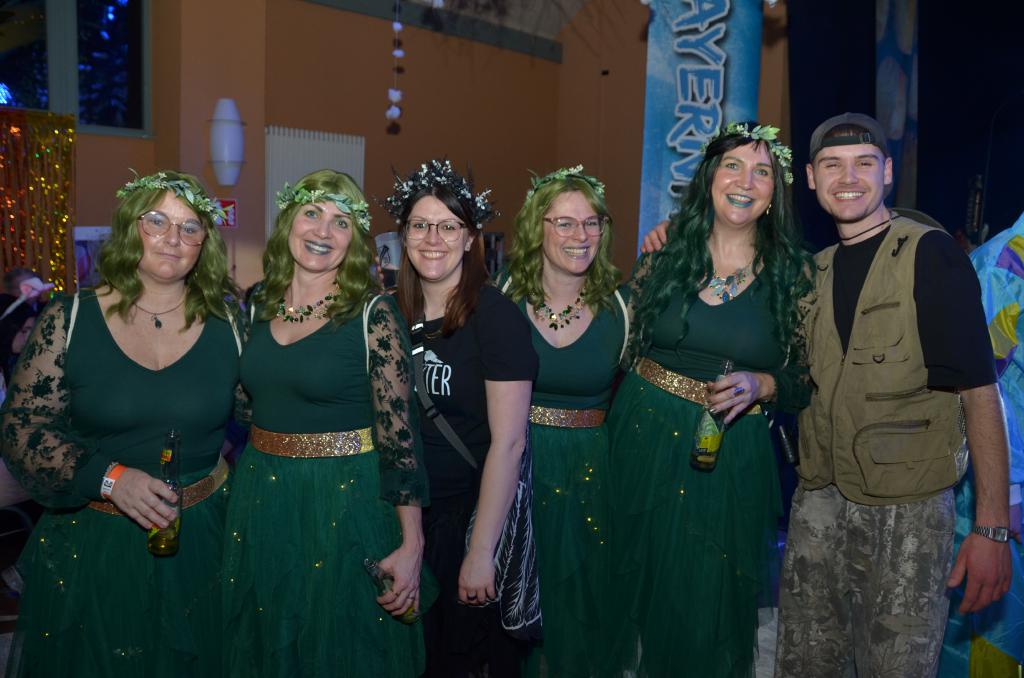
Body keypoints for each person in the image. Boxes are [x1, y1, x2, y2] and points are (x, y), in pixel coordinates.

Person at [774, 112, 1013, 677]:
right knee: (805, 664)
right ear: (810, 178)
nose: (847, 178)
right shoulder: (813, 273)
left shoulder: (931, 255)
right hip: (818, 506)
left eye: (863, 163)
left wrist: (991, 528)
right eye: (832, 165)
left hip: (907, 516)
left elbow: (980, 392)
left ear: (886, 172)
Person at [1, 170, 241, 677]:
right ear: (132, 227)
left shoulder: (231, 325)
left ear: (204, 242)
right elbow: (23, 429)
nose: (173, 238)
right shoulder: (69, 319)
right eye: (157, 221)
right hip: (94, 543)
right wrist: (110, 478)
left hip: (206, 542)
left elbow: (273, 413)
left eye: (190, 227)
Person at [607, 122, 812, 677]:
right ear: (709, 177)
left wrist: (765, 385)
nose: (745, 181)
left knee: (704, 603)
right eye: (733, 166)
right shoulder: (663, 254)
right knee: (625, 587)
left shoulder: (795, 274)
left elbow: (808, 376)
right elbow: (617, 343)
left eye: (762, 171)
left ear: (775, 192)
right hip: (640, 438)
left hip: (728, 454)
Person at [222, 169, 429, 677]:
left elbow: (400, 440)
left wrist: (412, 544)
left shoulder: (373, 315)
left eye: (341, 222)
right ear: (289, 220)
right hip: (262, 497)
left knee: (342, 649)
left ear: (354, 240)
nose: (323, 231)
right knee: (267, 644)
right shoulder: (258, 305)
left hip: (344, 504)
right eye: (312, 213)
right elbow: (247, 407)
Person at [385, 159, 538, 677]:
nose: (434, 239)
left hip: (464, 522)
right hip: (397, 517)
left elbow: (510, 444)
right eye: (420, 226)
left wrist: (480, 551)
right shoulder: (387, 314)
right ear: (403, 236)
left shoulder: (495, 318)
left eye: (448, 227)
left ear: (470, 239)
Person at [497, 165, 626, 678]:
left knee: (581, 615)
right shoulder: (502, 300)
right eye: (565, 223)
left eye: (592, 222)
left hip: (591, 481)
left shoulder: (622, 309)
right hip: (515, 472)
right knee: (513, 606)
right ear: (538, 227)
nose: (581, 235)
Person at [937, 209, 1024, 676]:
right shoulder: (1006, 264)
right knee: (993, 641)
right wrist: (1009, 496)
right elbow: (983, 393)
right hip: (1002, 498)